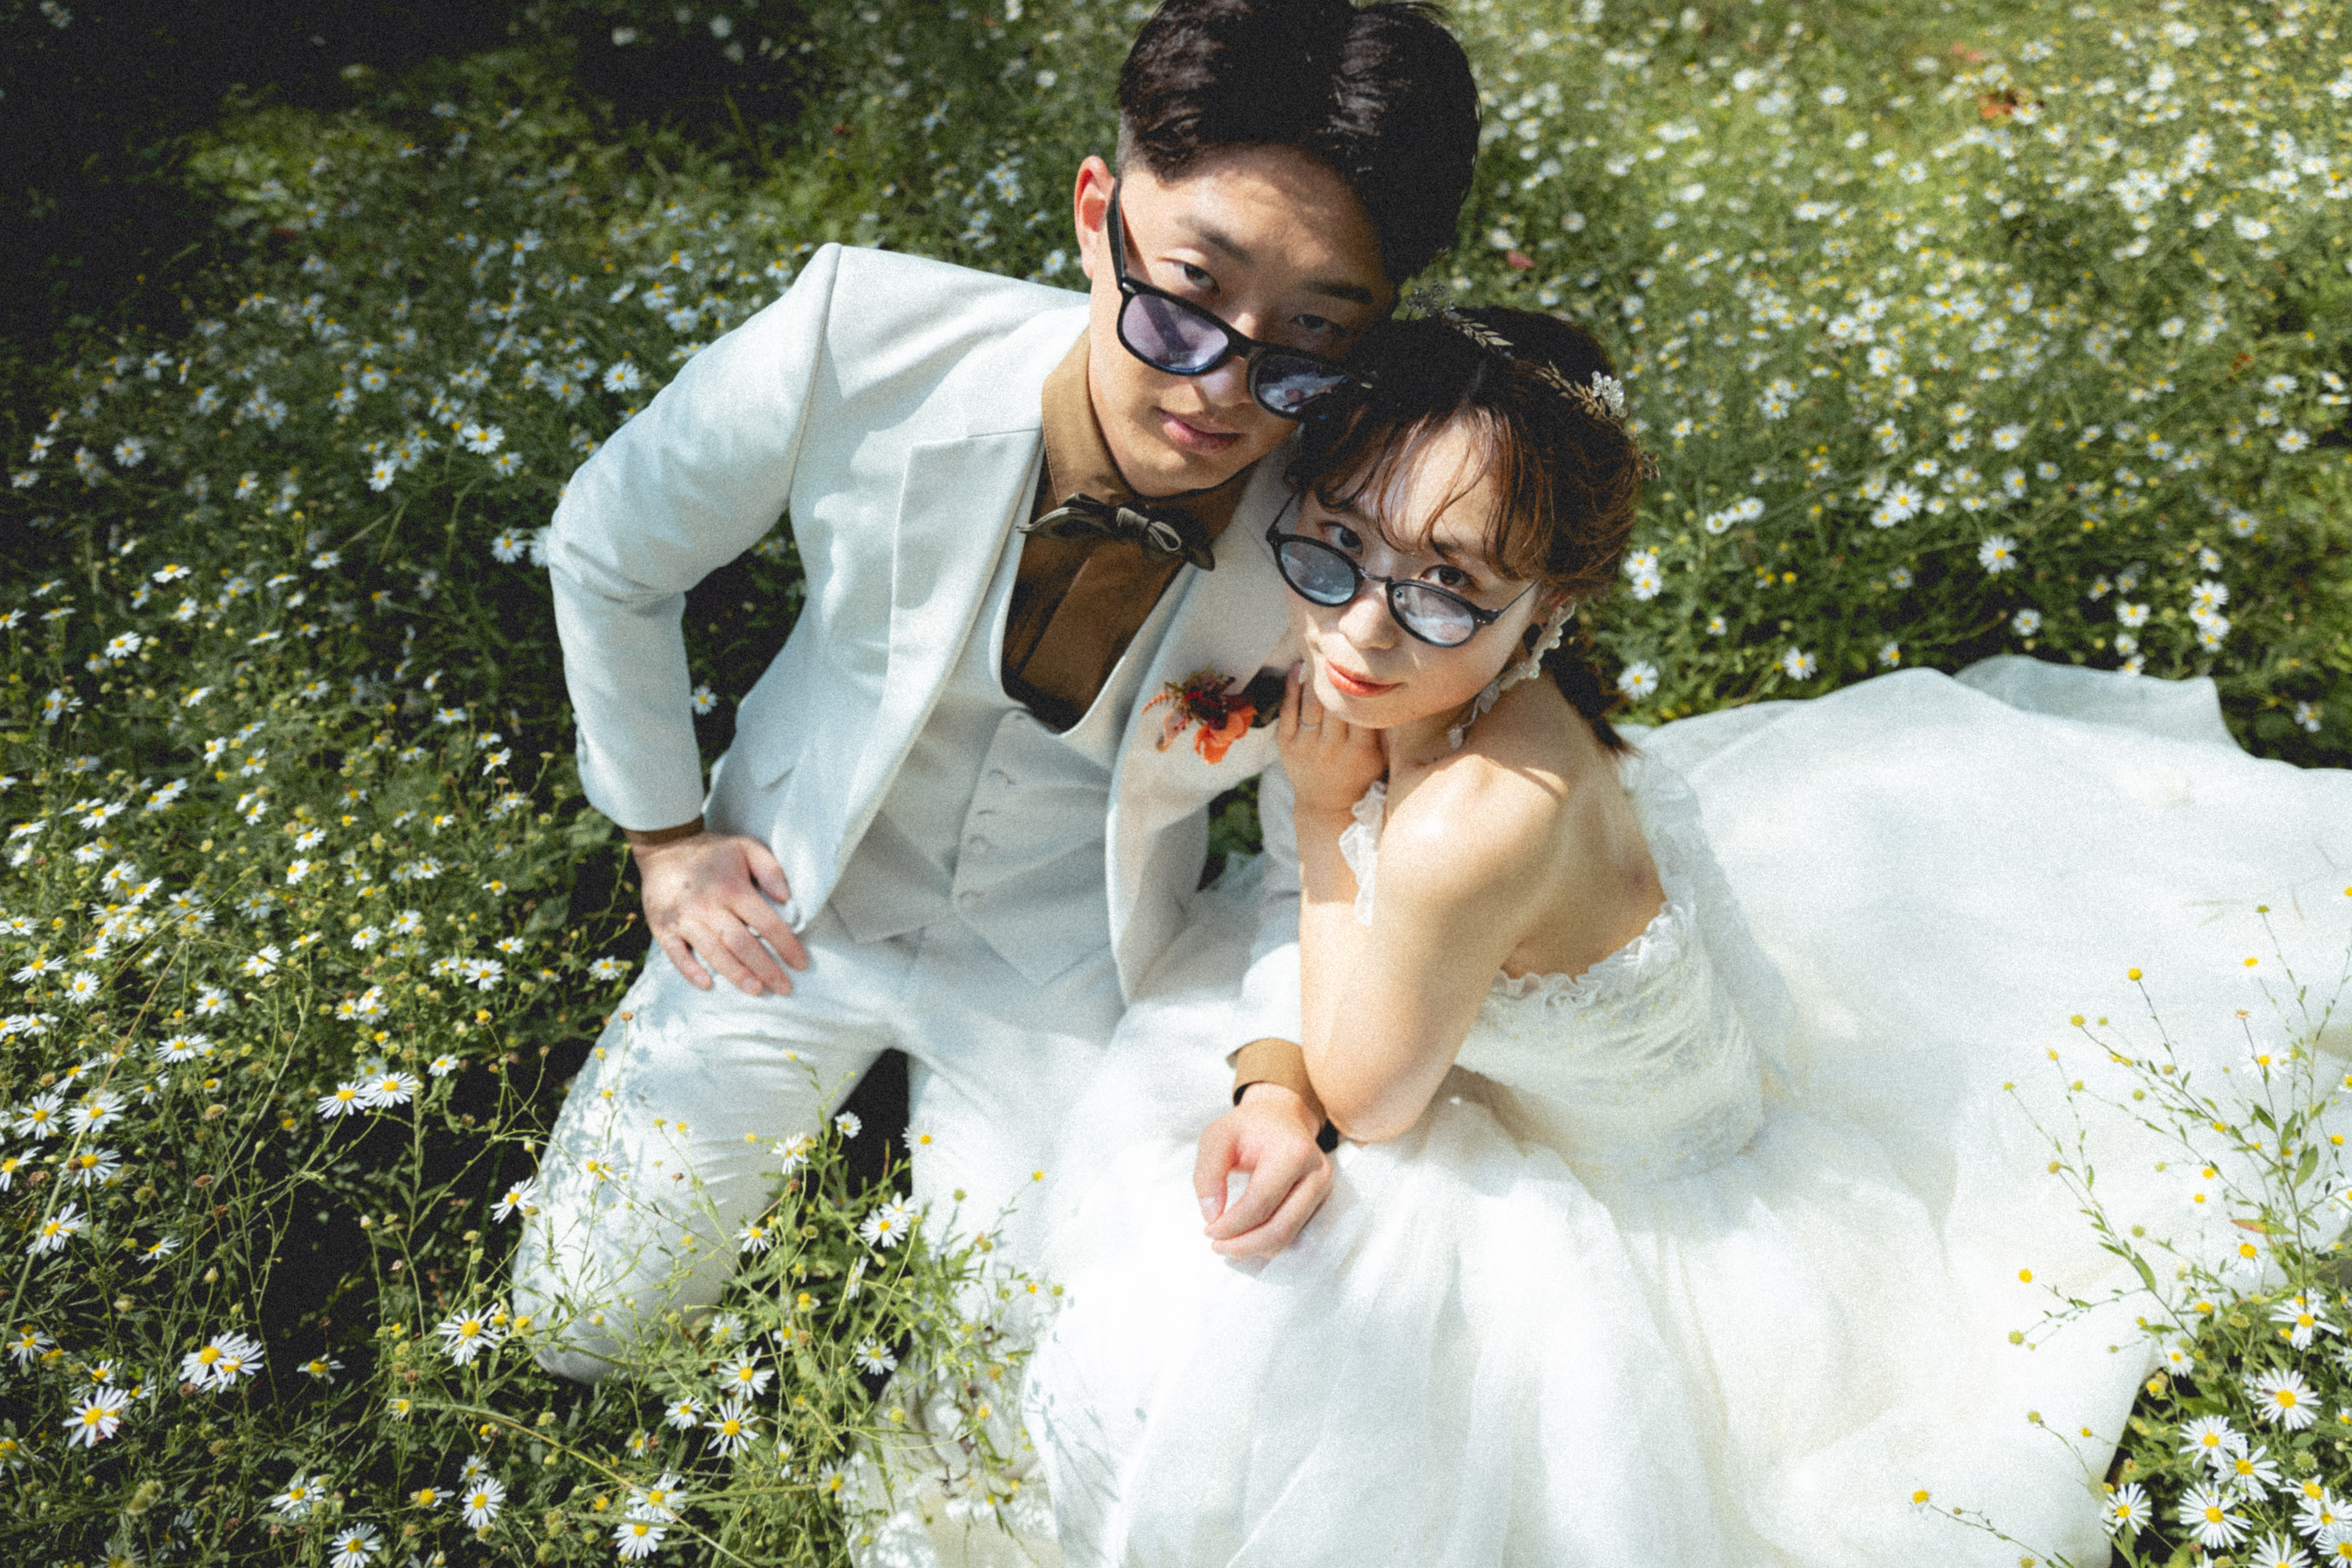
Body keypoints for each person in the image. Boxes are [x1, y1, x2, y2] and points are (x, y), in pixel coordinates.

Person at [1021, 304, 2352, 1564]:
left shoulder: (1470, 825)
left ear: (1549, 607)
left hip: (1650, 1207)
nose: (1364, 625)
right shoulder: (1472, 695)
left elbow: (1365, 1099)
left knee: (1260, 1308)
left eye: (1449, 583)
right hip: (1613, 1077)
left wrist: (1324, 818)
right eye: (1337, 543)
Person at [512, 0, 1480, 1384]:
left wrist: (1277, 1076)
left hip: (1067, 954)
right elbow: (609, 548)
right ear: (1097, 215)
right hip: (792, 894)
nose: (1224, 390)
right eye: (1187, 297)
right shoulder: (860, 334)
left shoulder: (1352, 529)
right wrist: (665, 837)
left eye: (1311, 337)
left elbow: (1321, 844)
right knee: (578, 1323)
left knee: (1006, 1388)